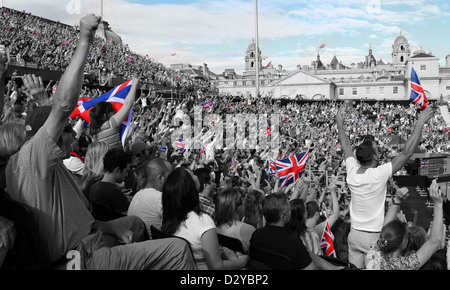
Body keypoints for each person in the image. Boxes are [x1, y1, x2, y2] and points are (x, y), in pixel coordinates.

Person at [4, 14, 195, 270]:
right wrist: (85, 39)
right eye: (67, 128)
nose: (74, 130)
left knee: (135, 224)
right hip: (83, 258)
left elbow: (47, 118)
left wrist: (109, 228)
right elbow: (62, 106)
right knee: (177, 249)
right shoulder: (31, 158)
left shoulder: (33, 163)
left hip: (86, 242)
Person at [336, 105, 434, 268]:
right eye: (377, 149)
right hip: (373, 238)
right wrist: (420, 122)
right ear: (374, 156)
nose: (379, 149)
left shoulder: (352, 171)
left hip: (353, 235)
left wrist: (339, 123)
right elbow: (406, 153)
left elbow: (345, 146)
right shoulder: (378, 174)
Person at [161, 167, 248, 270]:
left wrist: (224, 251)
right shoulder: (203, 221)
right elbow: (217, 266)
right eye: (192, 174)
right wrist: (242, 261)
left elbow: (198, 248)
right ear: (191, 187)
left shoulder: (168, 218)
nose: (195, 175)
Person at [250, 193, 344, 270]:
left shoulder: (256, 235)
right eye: (289, 210)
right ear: (282, 216)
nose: (291, 211)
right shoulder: (292, 243)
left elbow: (308, 254)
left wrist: (333, 268)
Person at [365, 180, 444, 270]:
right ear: (404, 243)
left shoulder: (374, 254)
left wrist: (397, 201)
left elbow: (385, 229)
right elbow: (435, 240)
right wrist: (438, 204)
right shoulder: (403, 265)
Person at [88, 77, 140, 149]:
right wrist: (134, 85)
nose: (114, 111)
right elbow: (128, 104)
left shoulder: (93, 132)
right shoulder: (110, 124)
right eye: (111, 110)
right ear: (104, 115)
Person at [127, 158, 172, 237]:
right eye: (170, 177)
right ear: (160, 178)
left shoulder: (137, 195)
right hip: (157, 246)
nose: (172, 181)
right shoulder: (159, 198)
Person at [89, 147, 132, 215]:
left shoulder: (95, 186)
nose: (126, 175)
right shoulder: (114, 193)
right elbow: (129, 214)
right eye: (126, 171)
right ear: (117, 170)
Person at [215, 187, 255, 254]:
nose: (245, 204)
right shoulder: (247, 229)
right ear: (235, 207)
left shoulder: (215, 228)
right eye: (242, 201)